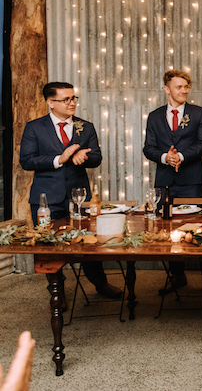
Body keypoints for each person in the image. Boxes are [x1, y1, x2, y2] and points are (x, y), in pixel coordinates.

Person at [19, 82, 121, 299]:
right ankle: (58, 291)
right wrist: (60, 159)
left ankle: (100, 284)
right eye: (66, 99)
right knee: (49, 246)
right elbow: (26, 161)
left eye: (73, 98)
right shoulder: (34, 127)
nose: (72, 103)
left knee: (89, 244)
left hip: (79, 197)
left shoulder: (86, 126)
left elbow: (96, 158)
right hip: (46, 198)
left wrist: (82, 157)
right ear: (50, 102)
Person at [143, 70, 202, 296]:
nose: (184, 91)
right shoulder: (154, 116)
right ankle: (177, 276)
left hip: (191, 179)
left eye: (186, 87)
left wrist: (181, 156)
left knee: (199, 228)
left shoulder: (199, 113)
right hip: (165, 181)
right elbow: (148, 148)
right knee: (168, 229)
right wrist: (166, 157)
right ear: (167, 89)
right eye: (179, 87)